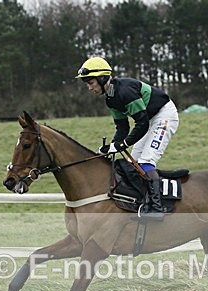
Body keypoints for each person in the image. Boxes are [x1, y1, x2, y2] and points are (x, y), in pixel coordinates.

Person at [76, 57, 179, 220]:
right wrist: (112, 145)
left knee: (145, 162)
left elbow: (142, 123)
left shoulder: (125, 92)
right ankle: (140, 202)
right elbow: (122, 127)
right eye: (87, 84)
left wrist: (123, 144)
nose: (89, 87)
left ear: (102, 78)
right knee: (133, 165)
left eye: (91, 82)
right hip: (149, 119)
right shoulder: (110, 99)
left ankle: (157, 208)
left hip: (163, 115)